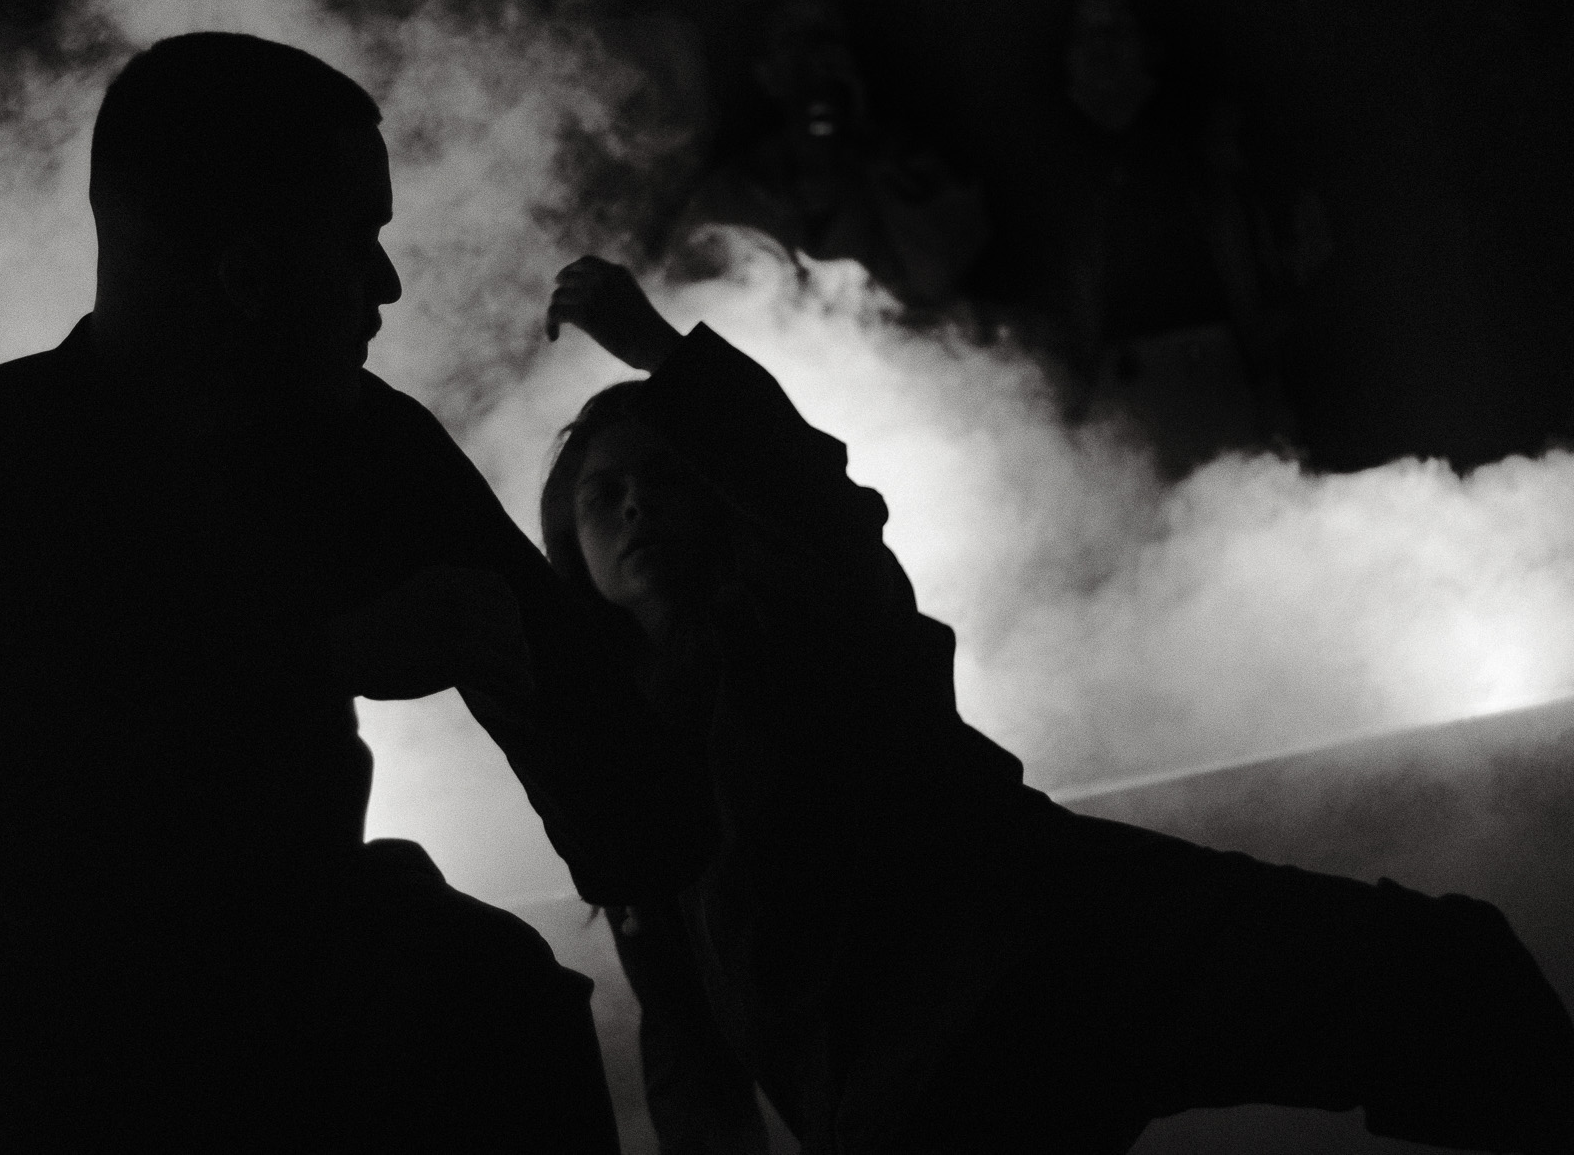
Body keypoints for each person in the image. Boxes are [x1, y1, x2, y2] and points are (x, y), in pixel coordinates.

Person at [0, 34, 705, 1154]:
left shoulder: (362, 448)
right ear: (244, 271)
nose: (385, 283)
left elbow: (627, 794)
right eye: (357, 238)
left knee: (491, 994)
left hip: (304, 1050)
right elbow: (37, 854)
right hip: (53, 1101)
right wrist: (321, 659)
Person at [541, 252, 1574, 1154]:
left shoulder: (803, 609)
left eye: (663, 477)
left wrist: (663, 354)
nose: (635, 504)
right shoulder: (619, 760)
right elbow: (685, 1044)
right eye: (603, 493)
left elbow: (817, 509)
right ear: (570, 544)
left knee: (1441, 971)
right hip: (919, 1081)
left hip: (1064, 942)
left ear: (716, 497)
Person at [664, 0, 989, 321]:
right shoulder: (729, 194)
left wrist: (874, 155)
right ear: (767, 74)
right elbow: (683, 301)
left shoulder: (907, 176)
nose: (817, 65)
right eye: (795, 47)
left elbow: (938, 279)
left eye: (827, 45)